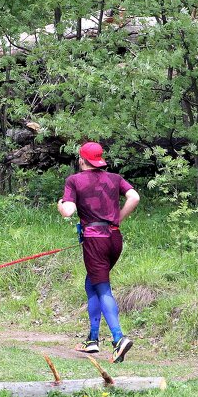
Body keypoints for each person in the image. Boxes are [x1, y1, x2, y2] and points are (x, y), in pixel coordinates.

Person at [57, 141, 139, 363]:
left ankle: (118, 339)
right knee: (91, 283)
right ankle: (92, 340)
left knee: (103, 288)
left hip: (95, 241)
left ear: (81, 160)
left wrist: (60, 205)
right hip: (114, 239)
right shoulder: (115, 178)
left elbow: (68, 211)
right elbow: (134, 197)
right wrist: (118, 219)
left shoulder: (74, 180)